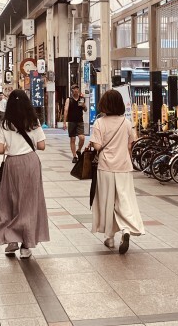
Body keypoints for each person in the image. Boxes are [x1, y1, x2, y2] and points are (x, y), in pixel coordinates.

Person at [0, 89, 49, 258]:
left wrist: (10, 146)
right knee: (30, 203)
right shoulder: (34, 121)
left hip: (12, 164)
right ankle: (26, 246)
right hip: (31, 163)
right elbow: (42, 146)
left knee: (10, 201)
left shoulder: (4, 124)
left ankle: (12, 240)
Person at [90, 90, 144, 254]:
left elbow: (97, 145)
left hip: (106, 167)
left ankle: (109, 238)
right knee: (124, 199)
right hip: (123, 167)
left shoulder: (99, 123)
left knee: (108, 201)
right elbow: (130, 144)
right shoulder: (126, 123)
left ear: (104, 104)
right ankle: (126, 229)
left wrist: (96, 145)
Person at [63, 85, 87, 163]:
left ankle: (79, 150)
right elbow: (66, 111)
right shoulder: (69, 100)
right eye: (74, 89)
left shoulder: (81, 99)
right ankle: (74, 156)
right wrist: (64, 122)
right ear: (72, 90)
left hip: (80, 121)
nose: (76, 90)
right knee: (72, 139)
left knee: (82, 138)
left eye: (77, 88)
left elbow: (85, 110)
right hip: (71, 121)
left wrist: (84, 105)